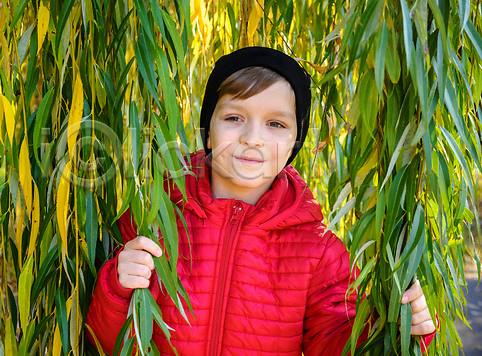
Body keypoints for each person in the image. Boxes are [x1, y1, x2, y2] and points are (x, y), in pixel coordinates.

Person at [86, 47, 436, 355]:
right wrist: (116, 290)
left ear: (295, 141)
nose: (252, 138)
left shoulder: (318, 252)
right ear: (208, 130)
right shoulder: (155, 217)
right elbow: (107, 342)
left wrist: (394, 327)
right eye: (234, 118)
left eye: (275, 124)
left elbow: (334, 342)